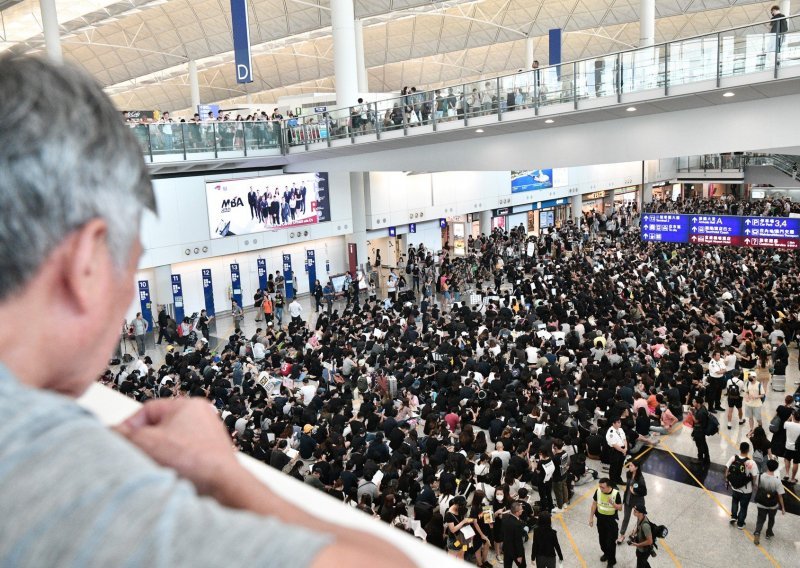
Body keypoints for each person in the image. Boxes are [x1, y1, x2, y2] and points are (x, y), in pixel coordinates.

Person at [0, 55, 411, 567]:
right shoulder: (63, 478)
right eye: (130, 266)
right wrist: (227, 472)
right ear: (85, 264)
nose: (130, 296)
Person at [589, 478, 622, 567]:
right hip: (601, 521)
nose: (600, 488)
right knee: (602, 541)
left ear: (609, 487)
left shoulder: (616, 493)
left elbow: (620, 508)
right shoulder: (598, 491)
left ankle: (611, 561)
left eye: (602, 487)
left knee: (610, 543)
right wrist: (591, 518)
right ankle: (606, 554)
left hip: (611, 522)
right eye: (599, 486)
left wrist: (613, 504)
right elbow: (594, 504)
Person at [724, 441, 758, 529]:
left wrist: (727, 479)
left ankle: (733, 517)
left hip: (734, 487)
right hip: (746, 490)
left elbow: (727, 469)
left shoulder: (733, 458)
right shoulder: (751, 463)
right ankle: (740, 523)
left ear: (740, 449)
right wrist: (754, 485)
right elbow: (754, 476)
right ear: (748, 450)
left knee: (734, 502)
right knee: (743, 506)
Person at [752, 459, 786, 545]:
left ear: (767, 466)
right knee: (771, 519)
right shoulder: (777, 481)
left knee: (760, 519)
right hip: (772, 505)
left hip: (761, 503)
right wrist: (782, 507)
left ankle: (757, 533)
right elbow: (780, 495)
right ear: (775, 469)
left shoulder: (760, 476)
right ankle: (769, 532)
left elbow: (756, 486)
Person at [618, 459, 647, 544]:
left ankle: (636, 533)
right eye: (629, 465)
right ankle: (622, 535)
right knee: (626, 518)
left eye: (631, 465)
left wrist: (635, 492)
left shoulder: (640, 479)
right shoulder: (628, 474)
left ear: (636, 467)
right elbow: (628, 488)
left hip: (637, 502)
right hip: (628, 500)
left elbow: (644, 492)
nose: (629, 467)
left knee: (639, 519)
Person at [627, 503, 655, 568]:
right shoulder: (640, 518)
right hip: (640, 548)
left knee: (641, 564)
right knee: (643, 562)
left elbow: (650, 541)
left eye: (635, 511)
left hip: (644, 550)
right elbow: (639, 526)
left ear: (640, 513)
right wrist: (634, 532)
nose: (633, 512)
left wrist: (638, 545)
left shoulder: (645, 526)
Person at [501, 501, 526, 568]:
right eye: (521, 509)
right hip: (515, 551)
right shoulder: (517, 525)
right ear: (517, 512)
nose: (522, 510)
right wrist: (520, 555)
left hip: (506, 548)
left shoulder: (505, 517)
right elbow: (518, 541)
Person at [606, 416, 627, 486]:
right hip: (615, 451)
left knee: (620, 466)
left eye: (620, 422)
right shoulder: (610, 432)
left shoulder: (620, 430)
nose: (620, 423)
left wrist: (625, 448)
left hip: (622, 450)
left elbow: (624, 439)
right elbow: (614, 444)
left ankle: (618, 479)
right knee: (614, 467)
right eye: (618, 422)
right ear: (613, 423)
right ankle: (612, 482)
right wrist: (622, 450)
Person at [691, 397, 711, 466]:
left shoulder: (701, 412)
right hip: (701, 430)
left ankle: (700, 459)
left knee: (699, 445)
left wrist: (691, 414)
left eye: (694, 402)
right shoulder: (702, 408)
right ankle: (707, 457)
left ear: (698, 403)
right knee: (703, 444)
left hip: (699, 431)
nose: (693, 403)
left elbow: (696, 421)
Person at [783, 410, 800, 483]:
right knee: (796, 463)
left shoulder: (788, 424)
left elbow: (784, 424)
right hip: (797, 448)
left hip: (788, 446)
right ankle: (793, 478)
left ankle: (787, 474)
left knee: (787, 459)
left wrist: (789, 418)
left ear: (793, 416)